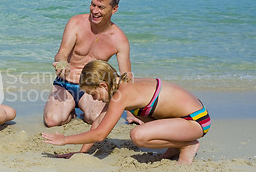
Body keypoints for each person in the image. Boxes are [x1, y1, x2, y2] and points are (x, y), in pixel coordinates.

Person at [42, 60, 211, 165]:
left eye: (94, 94)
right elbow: (98, 123)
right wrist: (81, 153)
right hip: (184, 119)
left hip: (195, 121)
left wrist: (65, 140)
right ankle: (175, 147)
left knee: (138, 135)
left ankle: (186, 145)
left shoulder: (120, 94)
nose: (97, 99)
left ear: (103, 85)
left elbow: (100, 135)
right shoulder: (118, 84)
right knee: (138, 116)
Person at [43, 0, 134, 154]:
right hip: (65, 83)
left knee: (95, 118)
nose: (95, 11)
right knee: (52, 120)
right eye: (93, 5)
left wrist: (131, 111)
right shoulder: (76, 23)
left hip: (91, 90)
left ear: (114, 9)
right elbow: (61, 53)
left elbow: (126, 77)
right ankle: (70, 112)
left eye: (101, 7)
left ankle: (80, 110)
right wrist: (62, 63)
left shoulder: (119, 39)